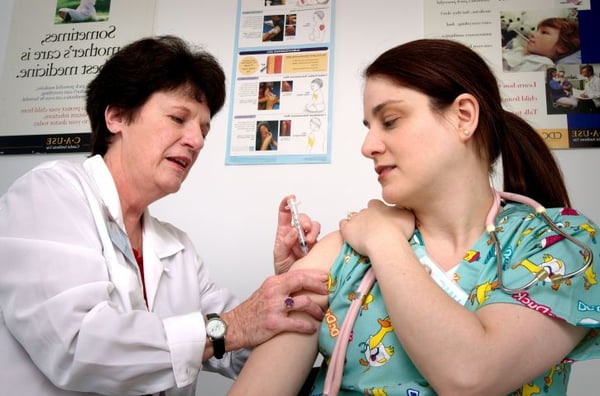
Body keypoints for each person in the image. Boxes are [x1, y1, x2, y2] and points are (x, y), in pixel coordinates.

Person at [229, 38, 600, 395]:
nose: (367, 147)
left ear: (464, 117)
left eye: (389, 121)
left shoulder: (562, 243)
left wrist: (384, 242)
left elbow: (472, 377)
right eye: (368, 128)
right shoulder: (342, 250)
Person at [0, 35, 329, 396]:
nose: (197, 141)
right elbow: (77, 346)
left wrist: (288, 283)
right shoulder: (49, 195)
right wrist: (231, 327)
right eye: (178, 118)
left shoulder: (177, 248)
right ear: (117, 116)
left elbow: (244, 351)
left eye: (203, 129)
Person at [503, 17, 580, 72]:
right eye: (537, 30)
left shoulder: (541, 64)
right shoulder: (523, 52)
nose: (532, 34)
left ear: (562, 47)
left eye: (544, 32)